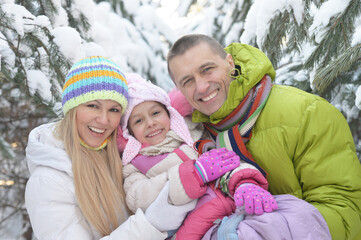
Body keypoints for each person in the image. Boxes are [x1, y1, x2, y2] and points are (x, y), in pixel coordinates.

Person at [167, 34, 361, 240]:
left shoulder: (306, 113)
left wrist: (264, 232)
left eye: (207, 69)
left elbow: (345, 210)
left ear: (229, 63)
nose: (201, 87)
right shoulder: (193, 137)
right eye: (188, 81)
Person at [24, 56, 197, 240]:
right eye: (93, 106)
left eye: (114, 110)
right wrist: (150, 224)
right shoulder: (48, 182)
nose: (104, 120)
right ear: (72, 108)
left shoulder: (118, 155)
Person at [117, 73, 277, 240]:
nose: (150, 123)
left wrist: (244, 182)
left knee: (292, 213)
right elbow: (137, 198)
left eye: (156, 113)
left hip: (234, 205)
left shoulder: (194, 136)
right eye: (138, 121)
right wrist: (193, 175)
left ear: (169, 113)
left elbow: (228, 160)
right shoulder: (135, 164)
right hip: (192, 227)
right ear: (129, 132)